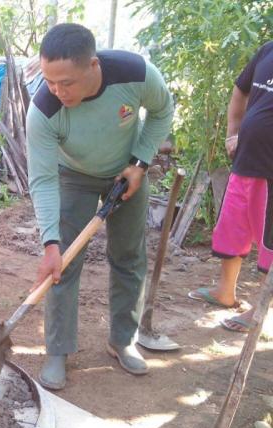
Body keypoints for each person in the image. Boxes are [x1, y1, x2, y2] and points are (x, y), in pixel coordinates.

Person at [26, 23, 174, 390]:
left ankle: (122, 340)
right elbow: (43, 179)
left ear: (93, 65)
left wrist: (140, 164)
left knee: (128, 258)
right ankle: (58, 349)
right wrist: (50, 244)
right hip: (72, 176)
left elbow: (162, 110)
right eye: (49, 81)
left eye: (66, 83)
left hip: (127, 174)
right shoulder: (44, 110)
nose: (57, 91)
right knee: (64, 264)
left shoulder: (135, 74)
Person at [188, 41, 273, 333]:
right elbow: (241, 89)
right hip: (246, 160)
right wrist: (231, 133)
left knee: (269, 243)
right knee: (231, 229)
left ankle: (261, 311)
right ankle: (225, 292)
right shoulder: (268, 50)